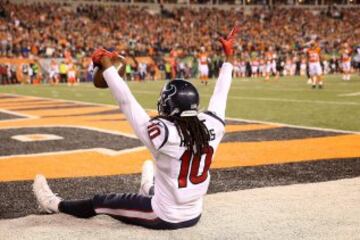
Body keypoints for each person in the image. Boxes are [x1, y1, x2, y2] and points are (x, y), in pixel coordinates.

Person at [32, 26, 238, 230]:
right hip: (194, 213)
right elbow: (221, 94)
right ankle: (147, 186)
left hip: (163, 215)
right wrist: (229, 58)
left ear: (170, 105)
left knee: (102, 202)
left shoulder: (165, 134)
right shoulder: (212, 125)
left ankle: (53, 203)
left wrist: (108, 67)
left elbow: (127, 102)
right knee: (158, 184)